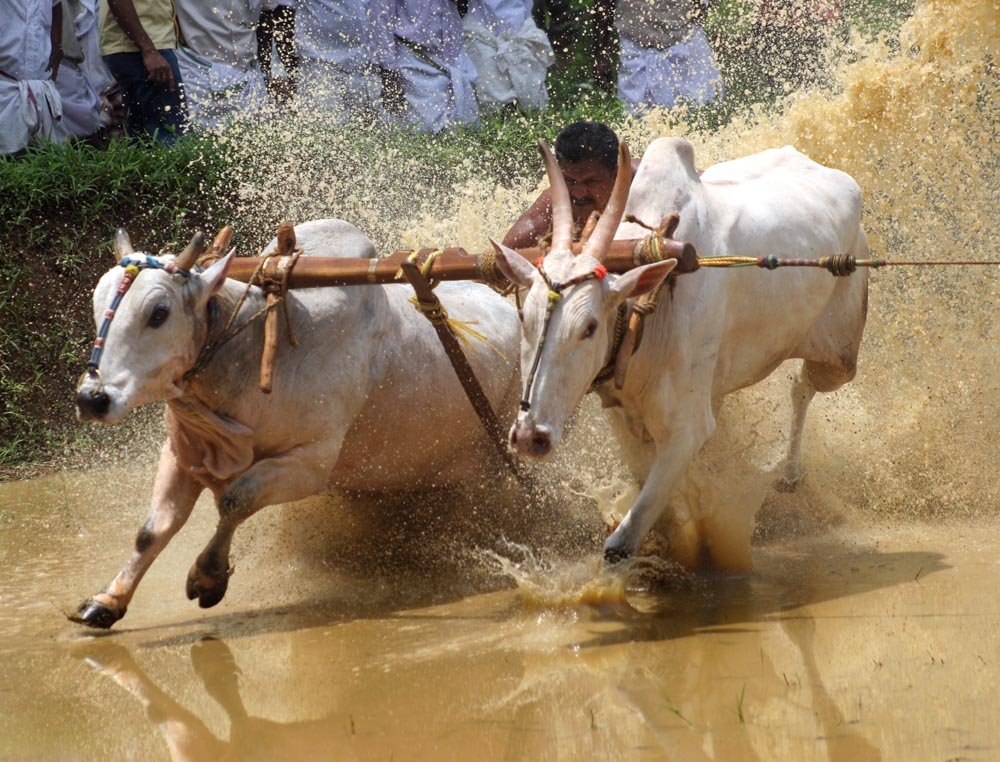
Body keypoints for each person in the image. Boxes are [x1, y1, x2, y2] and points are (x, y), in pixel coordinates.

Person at [502, 120, 638, 250]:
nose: (579, 193)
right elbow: (501, 259)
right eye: (570, 180)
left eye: (590, 182)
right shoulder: (544, 218)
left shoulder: (643, 183)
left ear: (616, 175)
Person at [100, 0, 188, 143]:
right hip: (142, 48)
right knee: (169, 135)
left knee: (144, 139)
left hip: (143, 46)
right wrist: (149, 51)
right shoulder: (148, 51)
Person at [174, 0, 268, 129]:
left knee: (255, 134)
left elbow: (272, 12)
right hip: (197, 71)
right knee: (199, 136)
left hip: (247, 70)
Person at [615, 0, 723, 112]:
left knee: (700, 104)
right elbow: (603, 5)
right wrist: (600, 54)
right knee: (636, 112)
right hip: (635, 32)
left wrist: (701, 9)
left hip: (684, 30)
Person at [0, 0, 71, 155]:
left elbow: (55, 4)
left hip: (40, 80)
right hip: (5, 80)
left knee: (46, 162)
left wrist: (57, 43)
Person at [462, 0, 553, 112]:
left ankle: (528, 119)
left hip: (520, 25)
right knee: (493, 93)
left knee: (530, 92)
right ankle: (501, 119)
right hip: (481, 29)